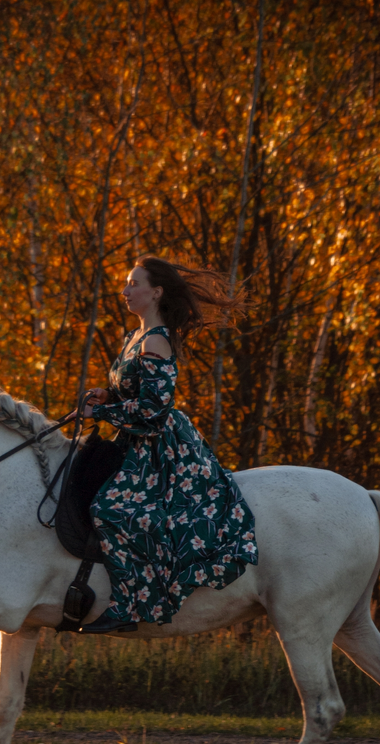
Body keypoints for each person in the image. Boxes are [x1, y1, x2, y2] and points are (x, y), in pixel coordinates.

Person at [78, 255, 258, 634]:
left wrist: (104, 413)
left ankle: (130, 605)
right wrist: (106, 394)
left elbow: (153, 410)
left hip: (158, 448)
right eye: (126, 284)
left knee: (112, 510)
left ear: (156, 292)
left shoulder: (156, 340)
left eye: (134, 283)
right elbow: (133, 390)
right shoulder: (136, 338)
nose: (125, 290)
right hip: (132, 440)